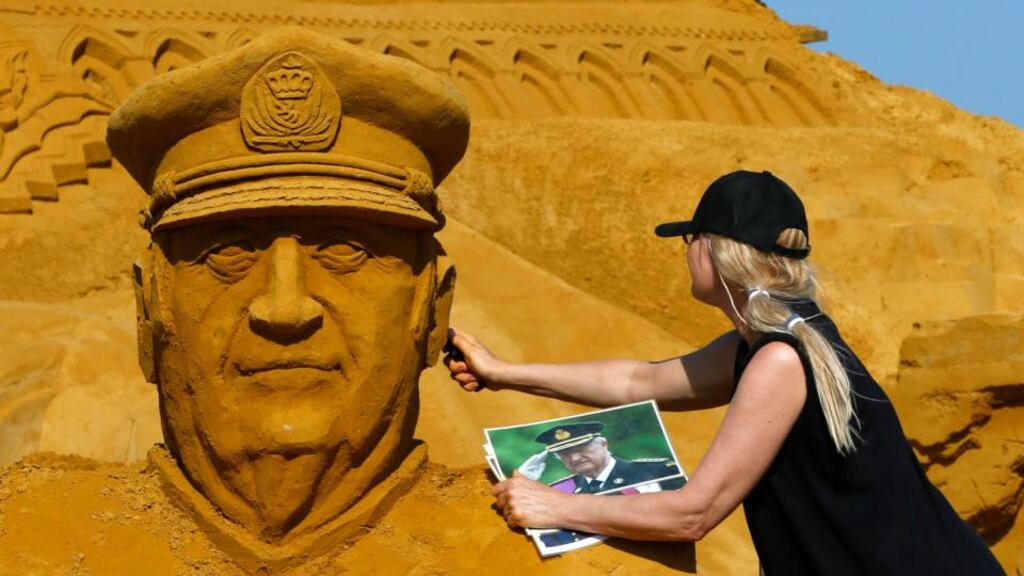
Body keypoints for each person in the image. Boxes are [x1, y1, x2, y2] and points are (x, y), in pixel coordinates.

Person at [445, 170, 1006, 575]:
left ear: (713, 251)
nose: (687, 254)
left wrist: (553, 505)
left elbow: (693, 514)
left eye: (691, 241)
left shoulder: (781, 359)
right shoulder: (772, 340)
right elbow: (637, 382)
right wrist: (503, 372)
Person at [522, 421, 684, 494]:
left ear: (603, 444)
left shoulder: (658, 471)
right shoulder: (561, 491)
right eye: (565, 454)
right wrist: (523, 483)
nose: (575, 457)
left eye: (581, 448)